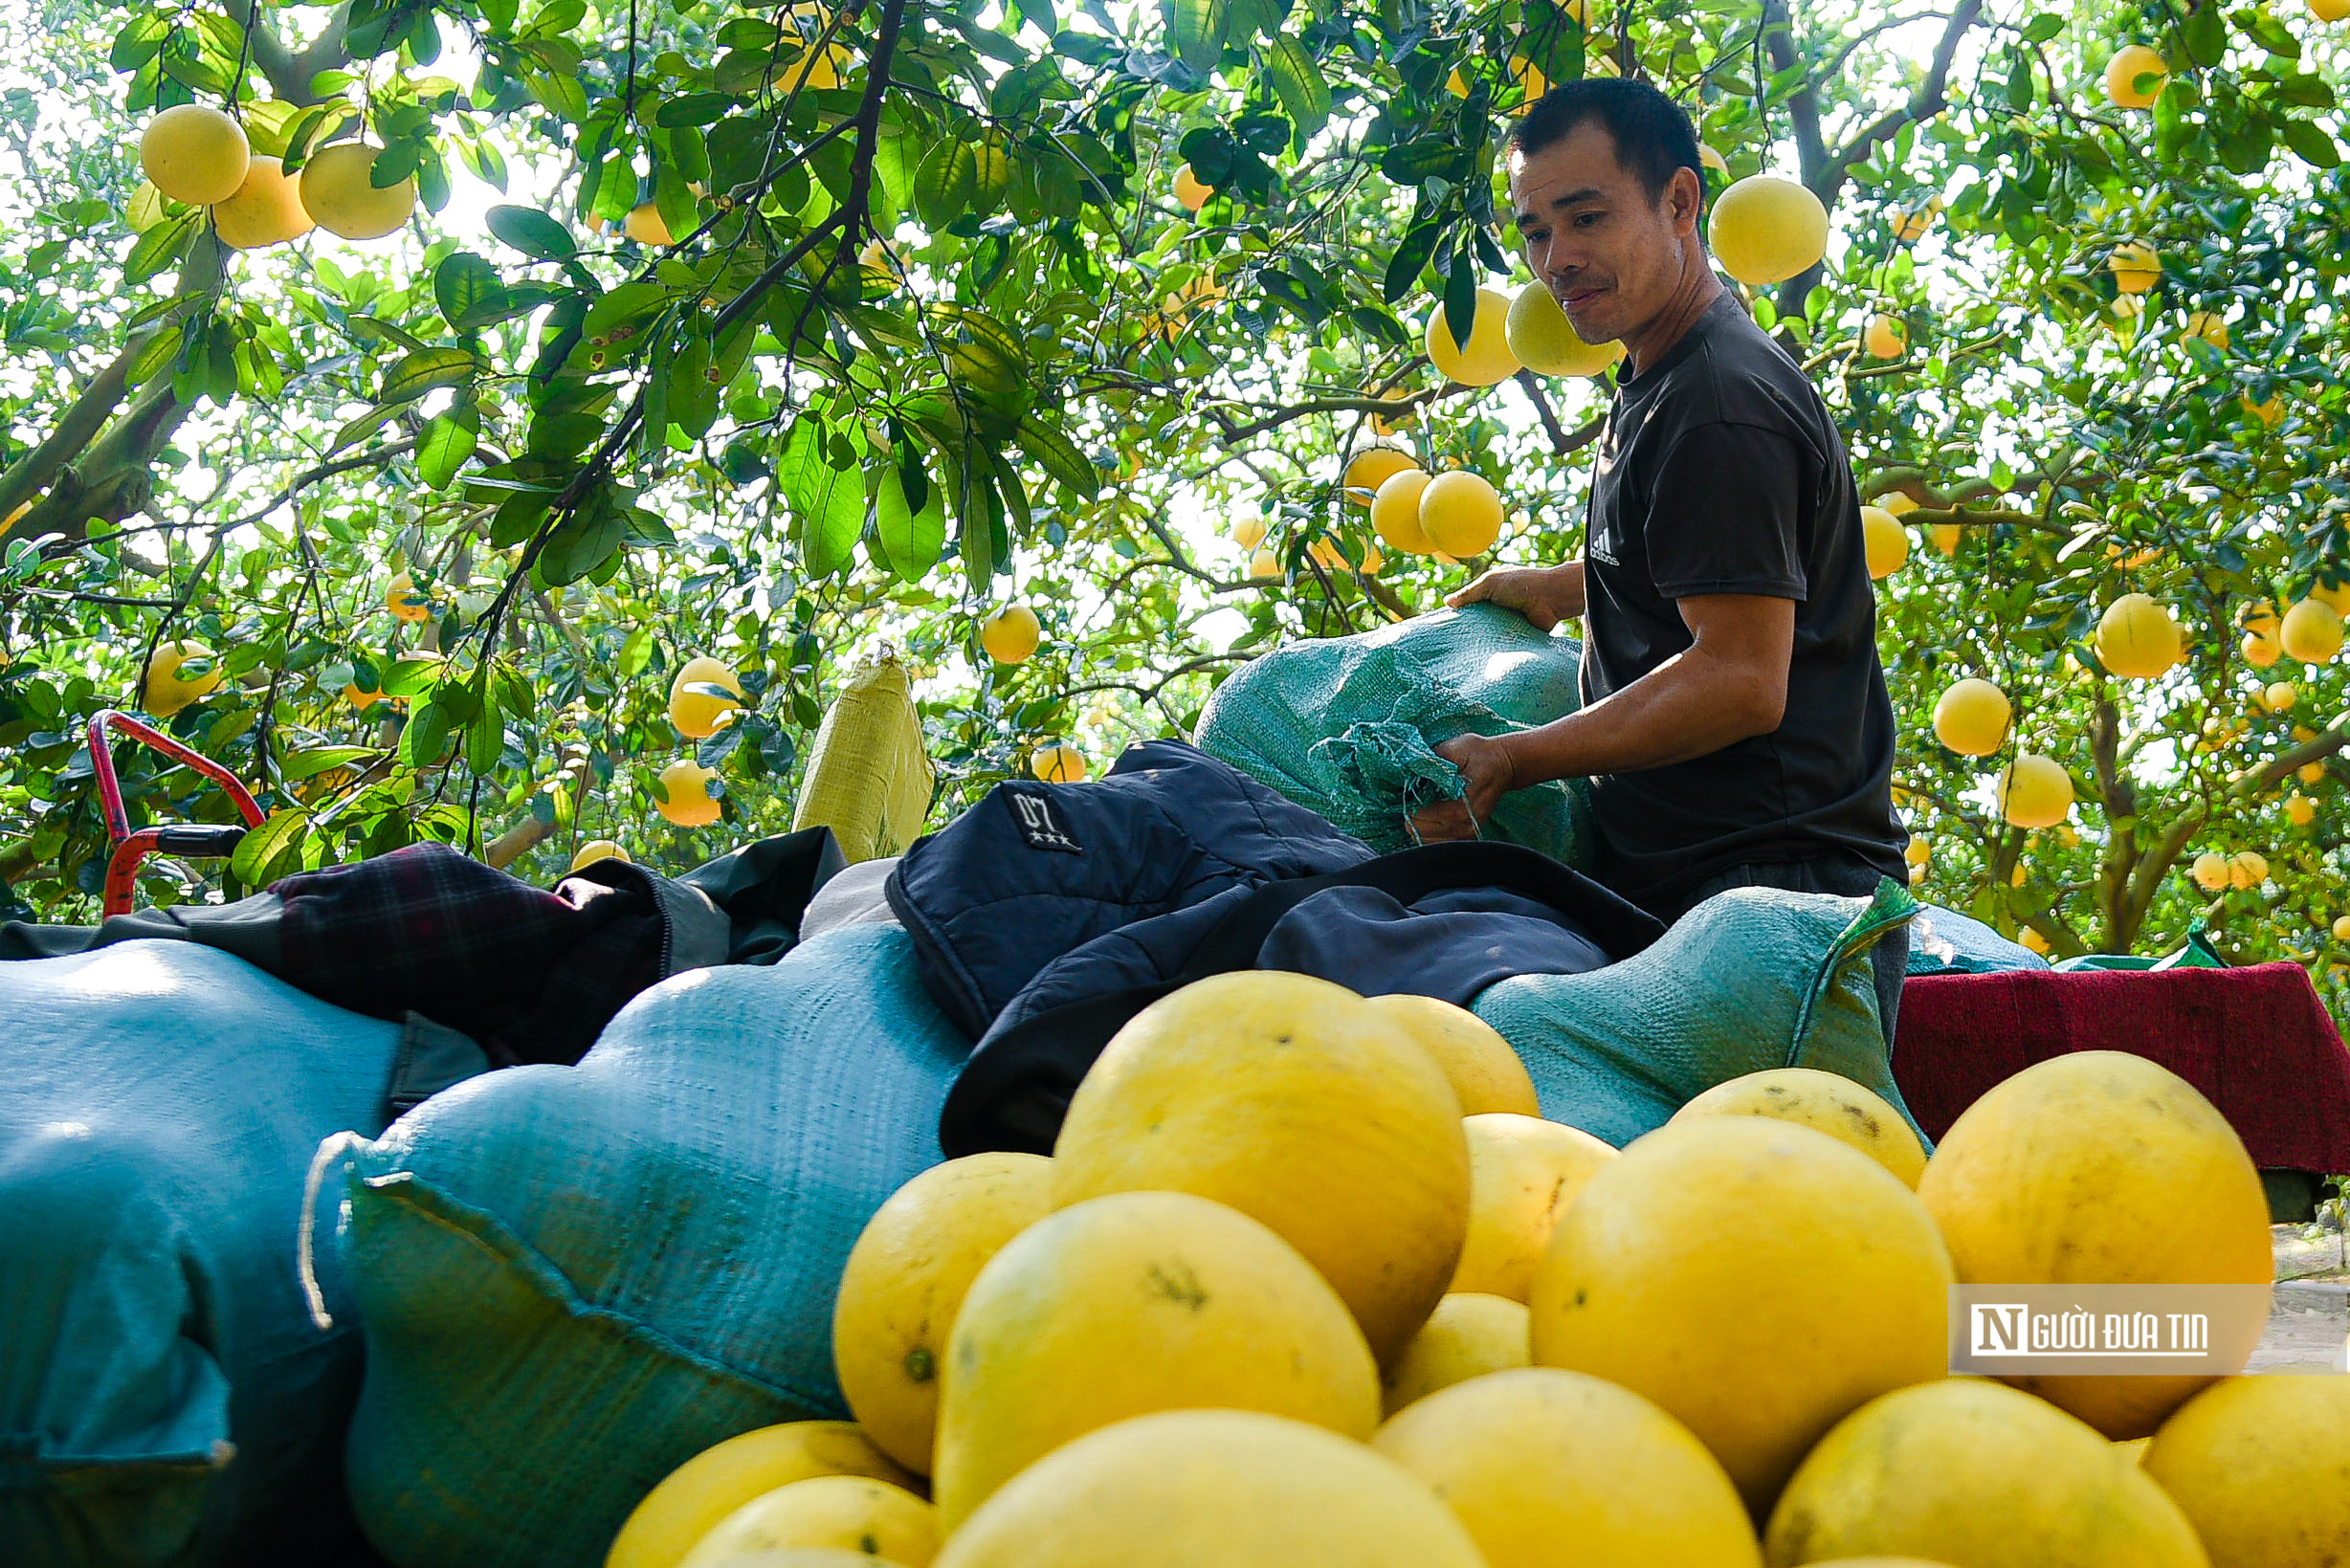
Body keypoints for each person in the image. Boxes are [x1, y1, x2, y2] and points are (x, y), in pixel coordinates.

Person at [1408, 77, 1911, 1039]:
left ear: (1679, 203)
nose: (1558, 260)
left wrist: (1511, 758)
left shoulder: (1718, 401)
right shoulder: (1664, 371)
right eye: (1534, 231)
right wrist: (1566, 586)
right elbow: (1700, 562)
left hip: (1772, 897)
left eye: (1585, 217)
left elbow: (1735, 678)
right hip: (1711, 890)